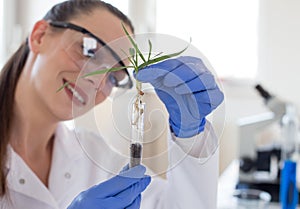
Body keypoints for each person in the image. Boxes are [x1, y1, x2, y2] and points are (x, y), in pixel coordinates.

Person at [0, 0, 224, 208]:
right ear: (40, 36)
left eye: (113, 77)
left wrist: (191, 137)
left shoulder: (96, 157)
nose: (95, 80)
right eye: (88, 50)